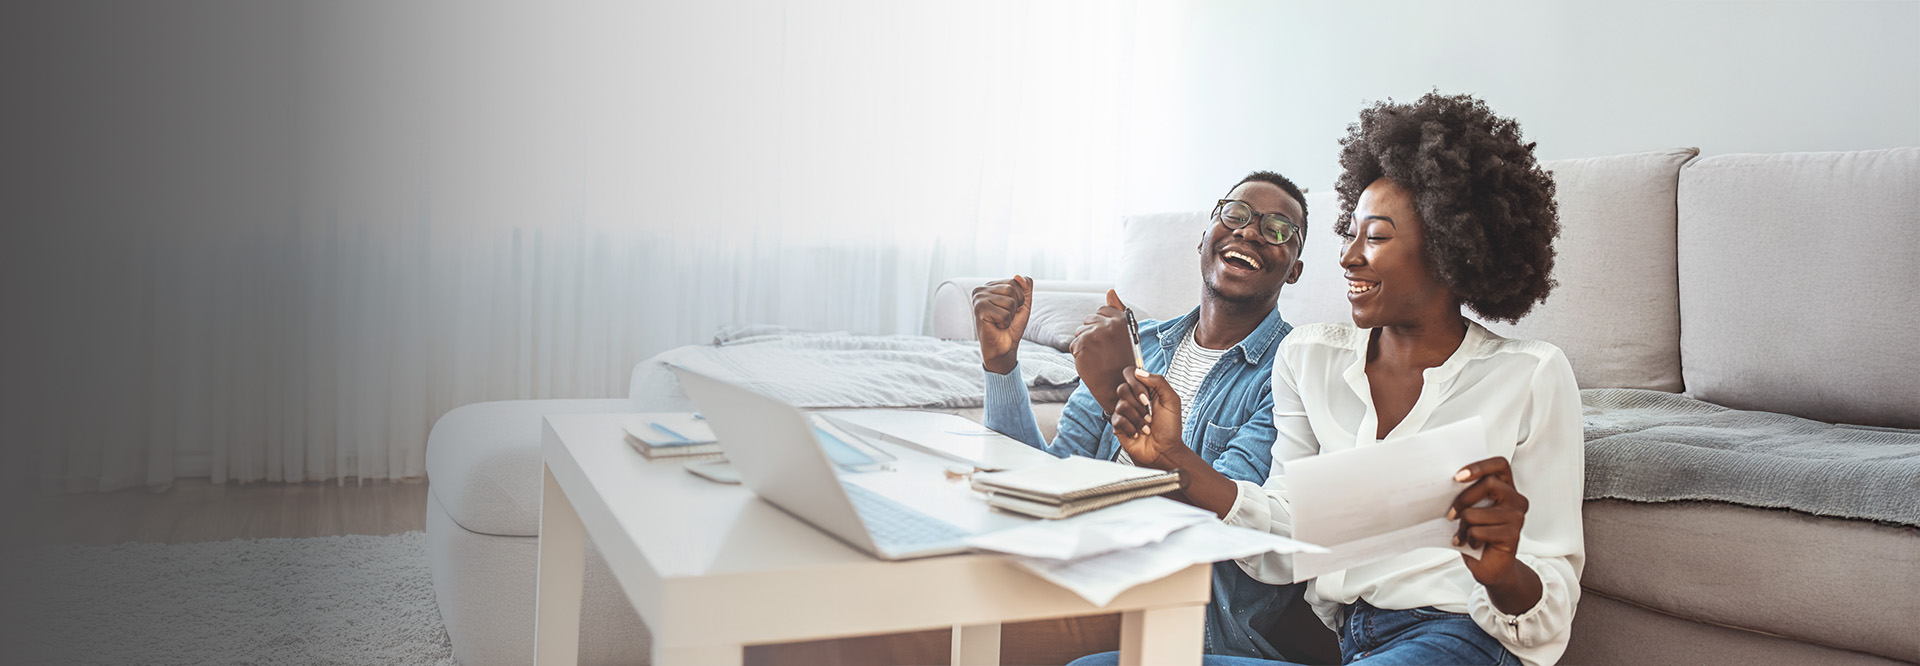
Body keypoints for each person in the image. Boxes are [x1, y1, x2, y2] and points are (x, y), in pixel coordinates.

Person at [1084, 92, 1581, 666]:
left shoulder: (1530, 375)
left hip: (1463, 635)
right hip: (1351, 644)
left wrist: (1501, 572)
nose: (1348, 257)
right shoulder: (1309, 358)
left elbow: (1549, 608)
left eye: (1376, 237)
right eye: (1351, 233)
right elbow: (1285, 541)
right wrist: (1172, 457)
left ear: (1450, 249)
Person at [972, 171, 1318, 660]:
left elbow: (1228, 521)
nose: (1249, 231)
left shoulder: (1292, 370)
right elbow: (1048, 476)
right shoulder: (1144, 343)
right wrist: (1002, 365)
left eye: (1278, 229)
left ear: (1295, 269)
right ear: (1205, 235)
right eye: (1235, 214)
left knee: (928, 628)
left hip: (1169, 606)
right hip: (1071, 563)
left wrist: (1113, 392)